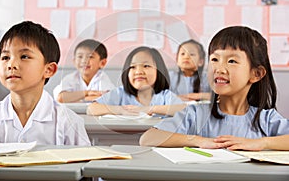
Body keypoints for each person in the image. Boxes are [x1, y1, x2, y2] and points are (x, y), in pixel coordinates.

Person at [140, 26, 289, 151]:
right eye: (215, 59)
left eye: (231, 61)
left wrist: (262, 143)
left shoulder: (266, 119)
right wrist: (197, 140)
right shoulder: (195, 114)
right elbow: (148, 138)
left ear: (256, 74)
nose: (219, 68)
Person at [0, 21, 91, 145]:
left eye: (24, 56)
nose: (11, 65)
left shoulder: (69, 122)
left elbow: (82, 163)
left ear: (49, 70)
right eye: (5, 57)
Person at [87, 46, 186, 117]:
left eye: (146, 66)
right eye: (133, 67)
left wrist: (149, 109)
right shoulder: (120, 93)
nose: (138, 72)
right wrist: (120, 110)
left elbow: (183, 110)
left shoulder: (164, 96)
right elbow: (91, 109)